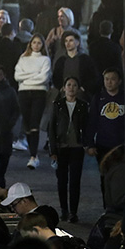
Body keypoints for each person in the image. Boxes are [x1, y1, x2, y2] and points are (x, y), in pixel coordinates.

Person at [86, 68, 125, 204]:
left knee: (123, 177)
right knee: (105, 178)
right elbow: (92, 121)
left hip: (122, 144)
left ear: (119, 81)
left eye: (112, 79)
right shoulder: (99, 98)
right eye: (106, 79)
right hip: (103, 144)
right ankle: (108, 206)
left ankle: (123, 206)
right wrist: (89, 143)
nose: (109, 82)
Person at [49, 77, 88, 222]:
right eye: (69, 85)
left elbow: (87, 125)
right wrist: (53, 150)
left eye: (74, 85)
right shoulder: (58, 105)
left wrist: (86, 143)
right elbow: (51, 127)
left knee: (75, 180)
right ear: (64, 88)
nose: (71, 88)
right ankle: (64, 210)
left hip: (77, 147)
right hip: (61, 147)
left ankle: (73, 211)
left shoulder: (83, 105)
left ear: (78, 88)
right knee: (62, 180)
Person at [13, 33, 51, 169]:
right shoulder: (23, 58)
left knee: (35, 123)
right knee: (27, 124)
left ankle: (34, 156)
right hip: (23, 92)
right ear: (30, 44)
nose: (36, 45)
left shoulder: (45, 60)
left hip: (39, 93)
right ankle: (32, 153)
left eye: (39, 43)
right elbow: (17, 76)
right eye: (34, 42)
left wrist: (27, 77)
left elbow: (44, 78)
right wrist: (35, 74)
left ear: (42, 45)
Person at [52, 29, 100, 100]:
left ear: (77, 43)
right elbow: (55, 77)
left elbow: (94, 76)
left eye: (71, 40)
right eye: (66, 41)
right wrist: (61, 87)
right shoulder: (61, 60)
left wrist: (84, 88)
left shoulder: (85, 59)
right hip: (64, 96)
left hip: (82, 97)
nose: (68, 43)